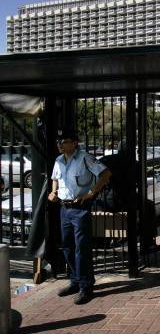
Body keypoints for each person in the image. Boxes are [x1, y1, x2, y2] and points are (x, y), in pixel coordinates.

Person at [48, 129, 111, 304]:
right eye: (58, 142)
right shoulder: (59, 160)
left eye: (64, 141)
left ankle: (86, 285)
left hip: (80, 207)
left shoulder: (85, 158)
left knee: (81, 248)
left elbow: (105, 174)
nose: (60, 145)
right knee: (67, 246)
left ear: (75, 143)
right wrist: (53, 191)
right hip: (64, 208)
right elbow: (55, 178)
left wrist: (91, 193)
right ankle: (75, 280)